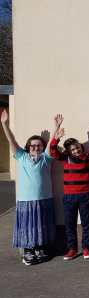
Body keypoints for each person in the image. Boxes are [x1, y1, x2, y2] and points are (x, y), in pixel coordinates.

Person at [1, 109, 55, 265]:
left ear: (42, 147)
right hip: (26, 199)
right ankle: (28, 252)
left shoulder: (45, 158)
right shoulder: (21, 156)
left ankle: (39, 249)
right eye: (33, 145)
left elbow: (52, 143)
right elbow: (11, 141)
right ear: (28, 146)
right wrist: (4, 124)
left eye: (39, 145)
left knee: (41, 226)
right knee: (27, 226)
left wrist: (56, 127)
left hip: (44, 198)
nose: (36, 148)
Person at [49, 114, 89, 260]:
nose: (76, 151)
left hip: (85, 196)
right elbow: (53, 152)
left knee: (86, 224)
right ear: (69, 151)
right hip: (69, 197)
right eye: (72, 149)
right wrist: (56, 134)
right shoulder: (65, 158)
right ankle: (72, 249)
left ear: (81, 147)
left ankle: (86, 248)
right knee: (69, 224)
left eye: (77, 148)